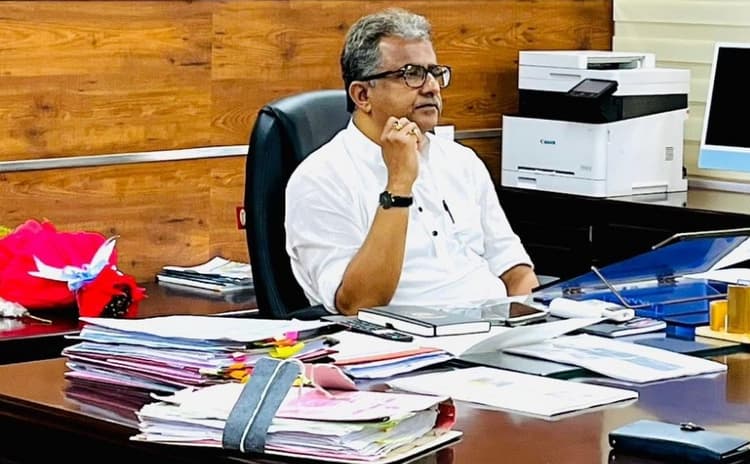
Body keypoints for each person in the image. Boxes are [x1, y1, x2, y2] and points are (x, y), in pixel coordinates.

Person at [285, 7, 539, 315]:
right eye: (411, 74)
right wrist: (399, 184)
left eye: (434, 73)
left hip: (495, 326)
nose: (432, 87)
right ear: (362, 95)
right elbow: (356, 303)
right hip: (403, 338)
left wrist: (538, 320)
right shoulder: (320, 178)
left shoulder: (462, 161)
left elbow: (514, 270)